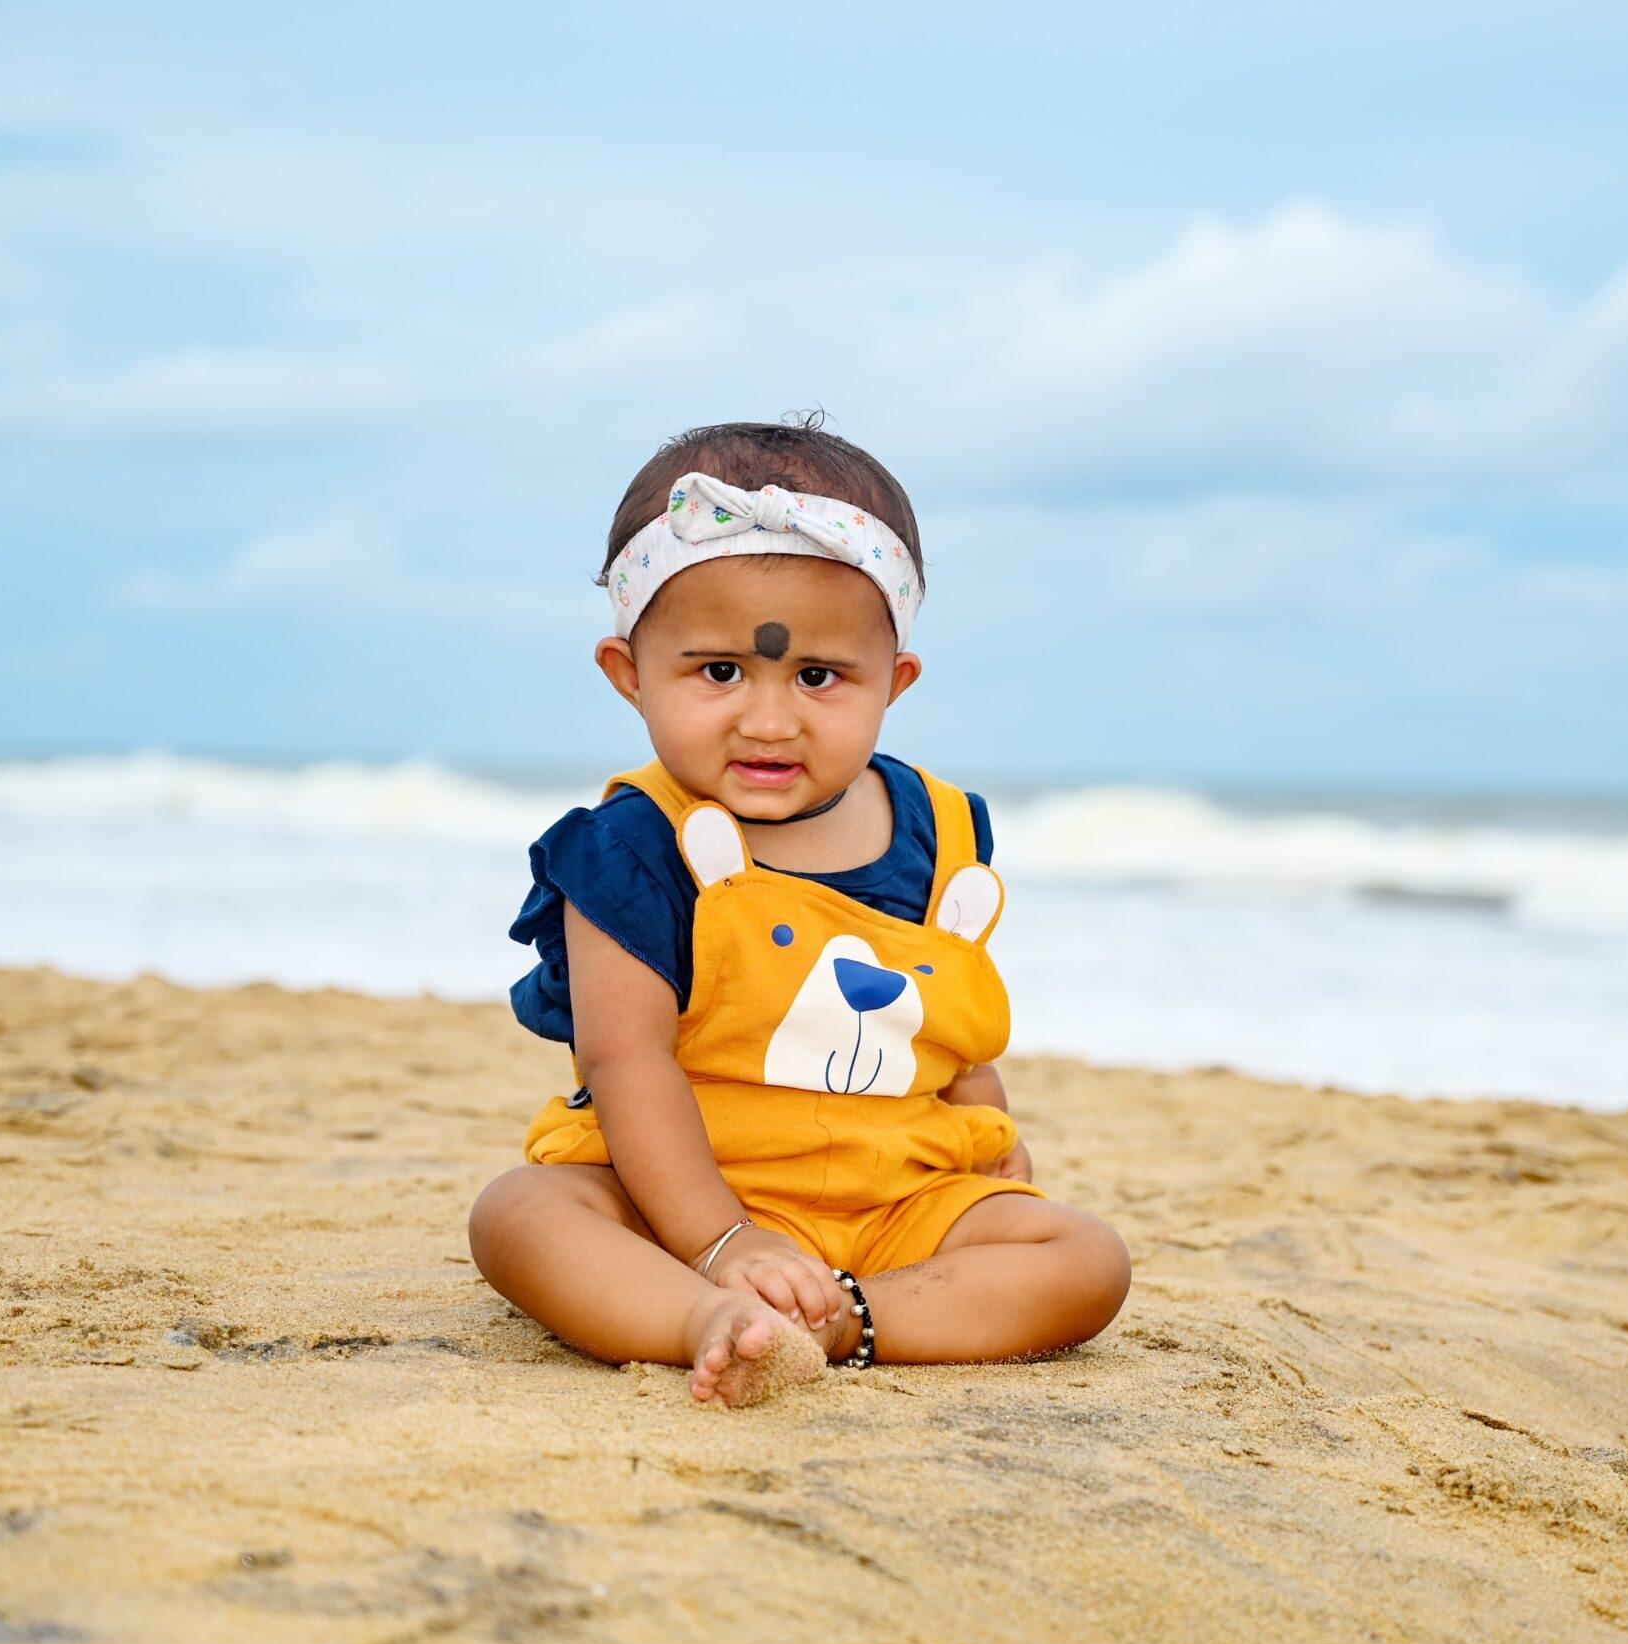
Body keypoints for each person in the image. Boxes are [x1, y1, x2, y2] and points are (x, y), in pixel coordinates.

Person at [468, 414, 1133, 1408]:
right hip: (675, 1203)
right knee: (519, 1213)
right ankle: (702, 1314)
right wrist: (723, 1238)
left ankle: (848, 1316)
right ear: (629, 675)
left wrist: (986, 1134)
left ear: (892, 683)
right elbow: (624, 1061)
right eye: (720, 670)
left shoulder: (942, 832)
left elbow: (945, 1019)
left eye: (818, 676)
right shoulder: (631, 846)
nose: (768, 719)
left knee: (1083, 1256)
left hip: (890, 1202)